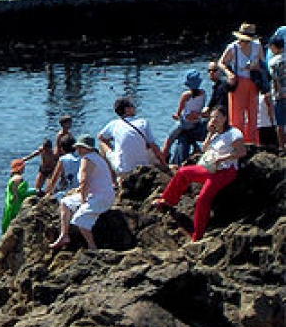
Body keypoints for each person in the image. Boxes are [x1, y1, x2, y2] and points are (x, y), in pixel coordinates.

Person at [152, 106, 246, 242]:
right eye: (212, 117)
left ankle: (197, 234)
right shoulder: (215, 133)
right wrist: (209, 134)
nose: (214, 120)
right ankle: (167, 200)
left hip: (225, 171)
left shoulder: (234, 133)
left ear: (225, 118)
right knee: (183, 172)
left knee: (202, 199)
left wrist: (223, 158)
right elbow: (204, 149)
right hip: (211, 168)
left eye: (217, 117)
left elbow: (242, 152)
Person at [49, 135, 116, 250]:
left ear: (88, 148)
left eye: (80, 147)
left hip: (100, 197)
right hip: (97, 194)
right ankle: (64, 235)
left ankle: (92, 245)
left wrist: (83, 199)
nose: (78, 150)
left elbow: (84, 181)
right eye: (77, 147)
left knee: (79, 219)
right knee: (65, 202)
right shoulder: (97, 157)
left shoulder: (88, 159)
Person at [219, 23, 266, 145]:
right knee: (236, 116)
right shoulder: (232, 47)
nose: (244, 42)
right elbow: (221, 63)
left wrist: (256, 67)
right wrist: (229, 74)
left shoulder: (257, 46)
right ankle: (236, 142)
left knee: (253, 115)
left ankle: (252, 142)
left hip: (253, 83)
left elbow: (263, 64)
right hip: (238, 83)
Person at [98, 96, 164, 179]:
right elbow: (154, 147)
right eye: (132, 106)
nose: (134, 108)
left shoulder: (114, 124)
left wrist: (115, 138)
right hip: (142, 169)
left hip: (123, 170)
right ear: (127, 110)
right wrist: (164, 164)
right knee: (149, 146)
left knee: (102, 144)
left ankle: (113, 181)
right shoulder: (143, 122)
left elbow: (100, 137)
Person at [161, 69, 207, 165]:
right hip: (197, 121)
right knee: (187, 135)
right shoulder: (203, 93)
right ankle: (195, 148)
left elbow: (179, 113)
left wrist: (176, 116)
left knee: (168, 140)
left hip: (185, 123)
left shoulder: (185, 95)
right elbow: (201, 108)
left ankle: (163, 160)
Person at [2, 158, 37, 233]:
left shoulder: (12, 178)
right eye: (23, 167)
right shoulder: (19, 178)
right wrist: (35, 191)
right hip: (16, 205)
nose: (24, 169)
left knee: (8, 225)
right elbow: (22, 192)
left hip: (9, 204)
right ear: (19, 168)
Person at [268, 36, 286, 151]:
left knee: (280, 124)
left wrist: (279, 92)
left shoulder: (272, 62)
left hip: (279, 96)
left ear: (274, 47)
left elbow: (274, 79)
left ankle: (282, 147)